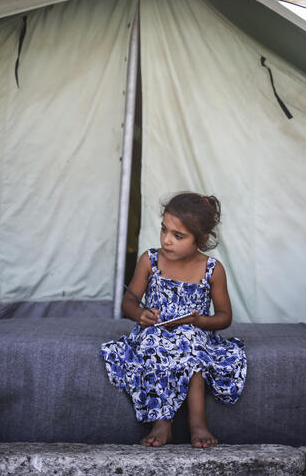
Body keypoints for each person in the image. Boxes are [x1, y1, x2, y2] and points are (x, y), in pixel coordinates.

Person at [101, 192, 247, 448]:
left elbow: (225, 317)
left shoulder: (212, 269)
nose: (167, 240)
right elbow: (129, 302)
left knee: (190, 347)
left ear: (200, 240)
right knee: (153, 345)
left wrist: (198, 321)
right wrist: (140, 315)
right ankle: (162, 422)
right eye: (164, 230)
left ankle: (198, 423)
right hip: (155, 330)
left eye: (178, 236)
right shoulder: (151, 260)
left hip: (195, 331)